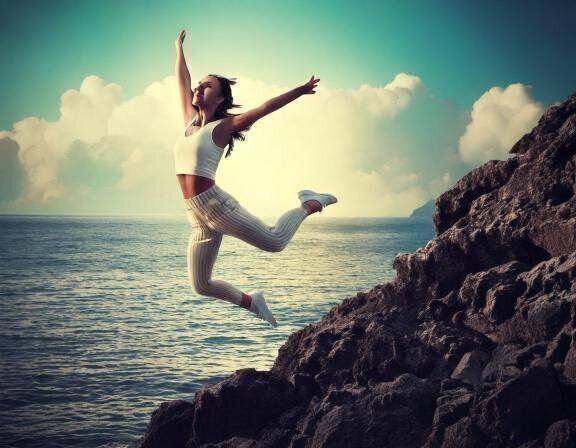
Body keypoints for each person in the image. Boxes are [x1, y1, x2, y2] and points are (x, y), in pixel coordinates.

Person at [173, 29, 337, 328]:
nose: (198, 88)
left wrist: (300, 91)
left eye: (207, 86)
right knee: (201, 284)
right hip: (195, 215)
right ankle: (252, 302)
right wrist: (178, 48)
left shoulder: (224, 127)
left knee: (275, 241)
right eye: (199, 85)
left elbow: (264, 109)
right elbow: (182, 80)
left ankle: (310, 203)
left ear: (220, 98)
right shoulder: (190, 123)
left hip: (215, 206)